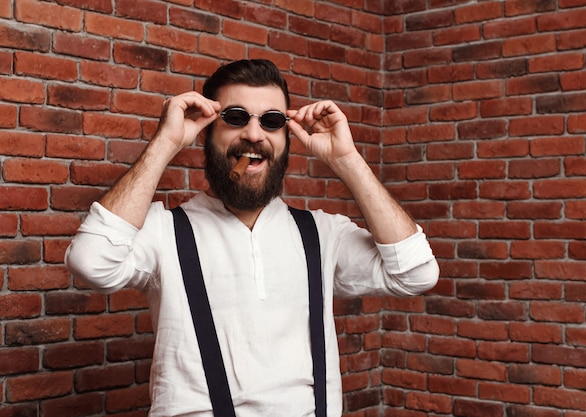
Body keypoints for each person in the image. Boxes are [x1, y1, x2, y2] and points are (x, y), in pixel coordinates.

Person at [65, 59, 439, 417]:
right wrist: (166, 143)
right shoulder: (165, 231)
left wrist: (347, 160)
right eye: (236, 117)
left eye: (272, 121)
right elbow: (91, 262)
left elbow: (417, 274)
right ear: (207, 130)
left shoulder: (321, 233)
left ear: (287, 136)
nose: (254, 134)